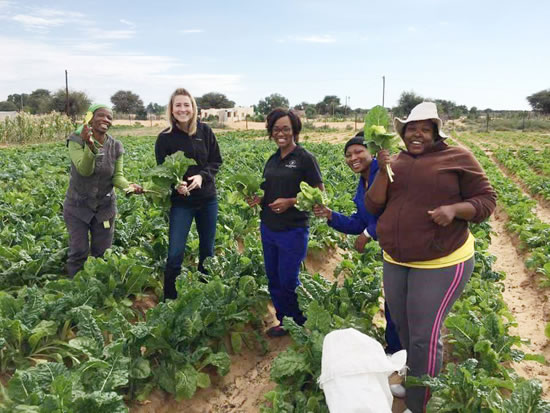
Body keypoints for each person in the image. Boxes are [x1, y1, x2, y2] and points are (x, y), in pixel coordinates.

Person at [365, 102, 496, 413]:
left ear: (436, 133)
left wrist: (454, 210)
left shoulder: (458, 157)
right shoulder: (395, 160)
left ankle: (417, 404)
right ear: (403, 133)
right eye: (412, 129)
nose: (418, 134)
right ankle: (415, 376)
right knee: (406, 327)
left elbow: (487, 200)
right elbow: (373, 205)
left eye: (425, 129)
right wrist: (382, 170)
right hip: (397, 260)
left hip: (442, 261)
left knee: (425, 334)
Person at [312, 133, 402, 354]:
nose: (353, 157)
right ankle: (396, 350)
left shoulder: (383, 173)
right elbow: (359, 222)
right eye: (348, 154)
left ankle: (408, 355)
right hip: (390, 250)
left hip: (406, 247)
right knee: (393, 301)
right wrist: (330, 215)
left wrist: (368, 233)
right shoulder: (362, 184)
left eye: (358, 151)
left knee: (401, 303)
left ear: (371, 152)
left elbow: (394, 211)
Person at [248, 108, 323, 337]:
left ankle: (298, 322)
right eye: (276, 129)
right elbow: (268, 190)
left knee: (288, 278)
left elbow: (319, 193)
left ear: (295, 131)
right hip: (269, 226)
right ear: (271, 132)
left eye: (286, 129)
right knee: (273, 277)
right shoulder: (272, 160)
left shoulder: (305, 159)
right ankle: (283, 320)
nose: (281, 133)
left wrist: (291, 201)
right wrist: (258, 198)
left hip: (293, 228)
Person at [155, 88, 222, 300]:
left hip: (207, 201)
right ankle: (169, 301)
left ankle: (204, 296)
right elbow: (162, 173)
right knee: (175, 253)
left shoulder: (205, 132)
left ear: (193, 108)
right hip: (182, 203)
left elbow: (215, 161)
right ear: (172, 110)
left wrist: (202, 176)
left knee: (207, 251)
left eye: (186, 105)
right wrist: (176, 185)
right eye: (178, 105)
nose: (182, 109)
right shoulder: (164, 139)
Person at [63, 103, 143, 277]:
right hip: (78, 207)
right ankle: (74, 287)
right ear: (90, 118)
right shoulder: (76, 140)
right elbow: (84, 170)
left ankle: (98, 287)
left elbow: (117, 176)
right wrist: (90, 146)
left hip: (104, 209)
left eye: (109, 117)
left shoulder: (116, 146)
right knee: (79, 251)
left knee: (102, 252)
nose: (106, 120)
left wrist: (128, 186)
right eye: (101, 115)